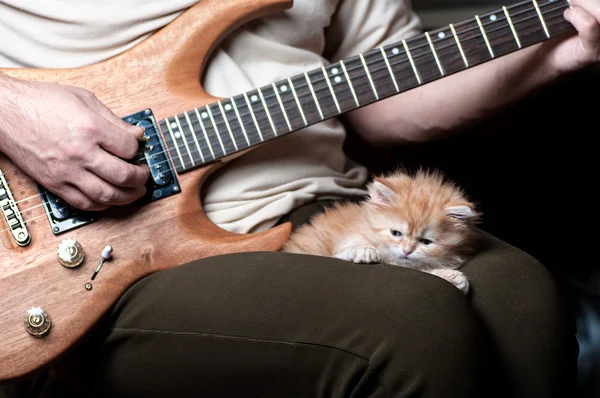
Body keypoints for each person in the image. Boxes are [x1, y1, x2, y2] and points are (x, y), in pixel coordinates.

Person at [0, 0, 598, 397]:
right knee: (406, 323)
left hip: (326, 212)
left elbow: (386, 95)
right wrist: (12, 109)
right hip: (107, 249)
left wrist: (571, 43)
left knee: (524, 304)